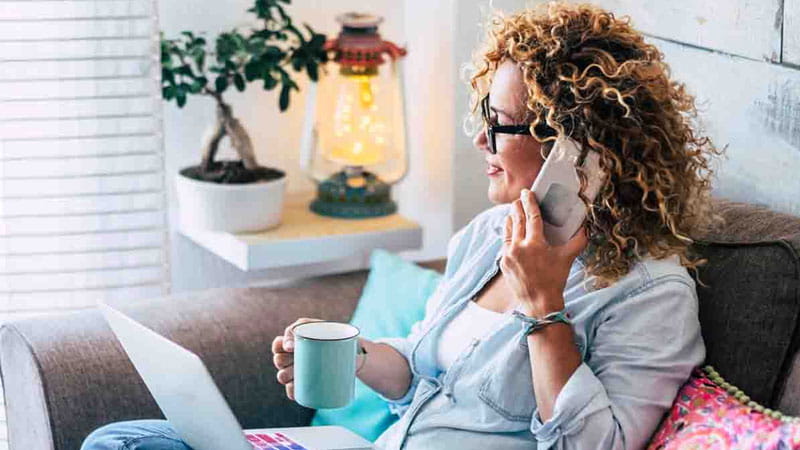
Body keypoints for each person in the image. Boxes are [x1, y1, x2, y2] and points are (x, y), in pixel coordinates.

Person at [80, 2, 724, 449]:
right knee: (122, 440)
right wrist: (354, 355)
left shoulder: (649, 292)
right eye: (484, 112)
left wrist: (544, 309)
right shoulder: (487, 236)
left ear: (576, 148)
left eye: (500, 121)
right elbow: (420, 372)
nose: (480, 138)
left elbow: (597, 445)